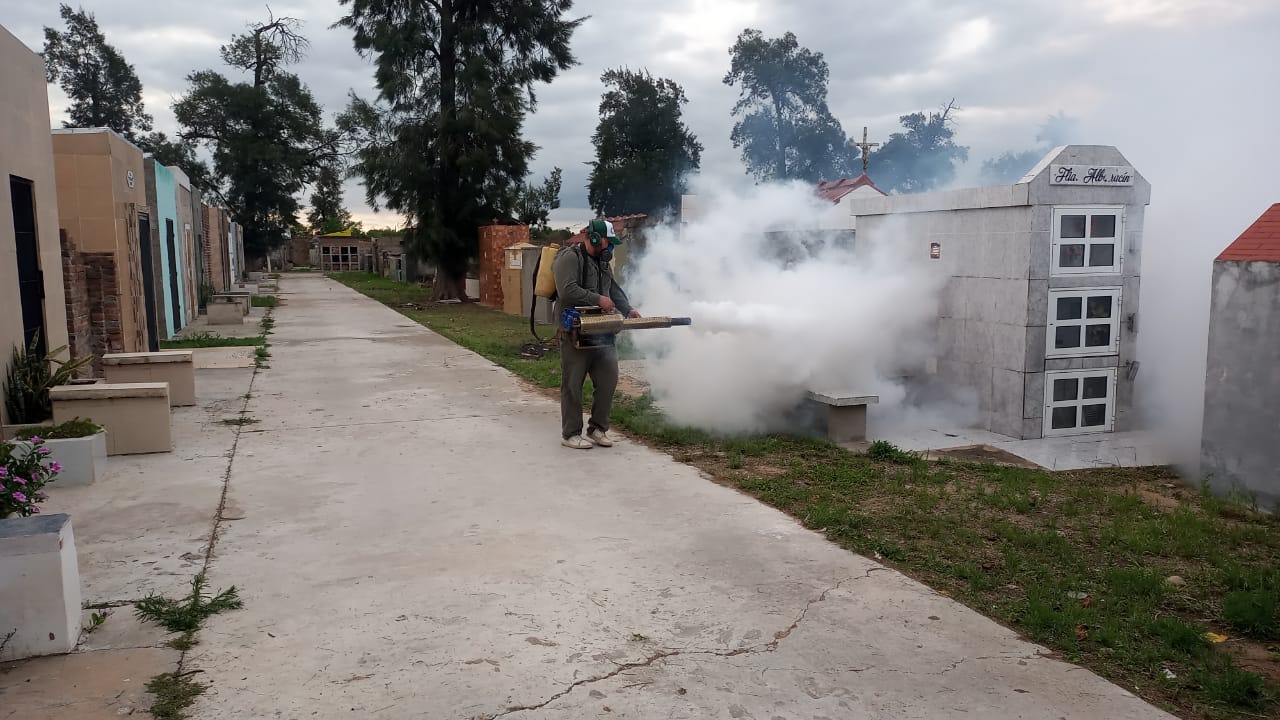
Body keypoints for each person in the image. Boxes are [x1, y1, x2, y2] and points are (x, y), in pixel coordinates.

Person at [552, 219, 641, 449]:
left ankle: (598, 428)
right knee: (573, 384)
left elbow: (612, 288)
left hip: (602, 331)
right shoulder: (570, 257)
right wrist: (597, 299)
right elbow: (567, 290)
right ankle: (571, 433)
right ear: (595, 239)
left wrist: (628, 308)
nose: (611, 248)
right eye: (608, 243)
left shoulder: (602, 263)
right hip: (576, 332)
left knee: (609, 378)